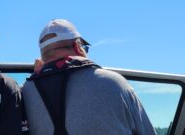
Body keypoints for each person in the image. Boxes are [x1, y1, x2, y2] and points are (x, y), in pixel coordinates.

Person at [22, 19, 156, 135]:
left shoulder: (25, 92)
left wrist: (37, 76)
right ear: (77, 46)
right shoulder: (114, 83)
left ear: (43, 55)